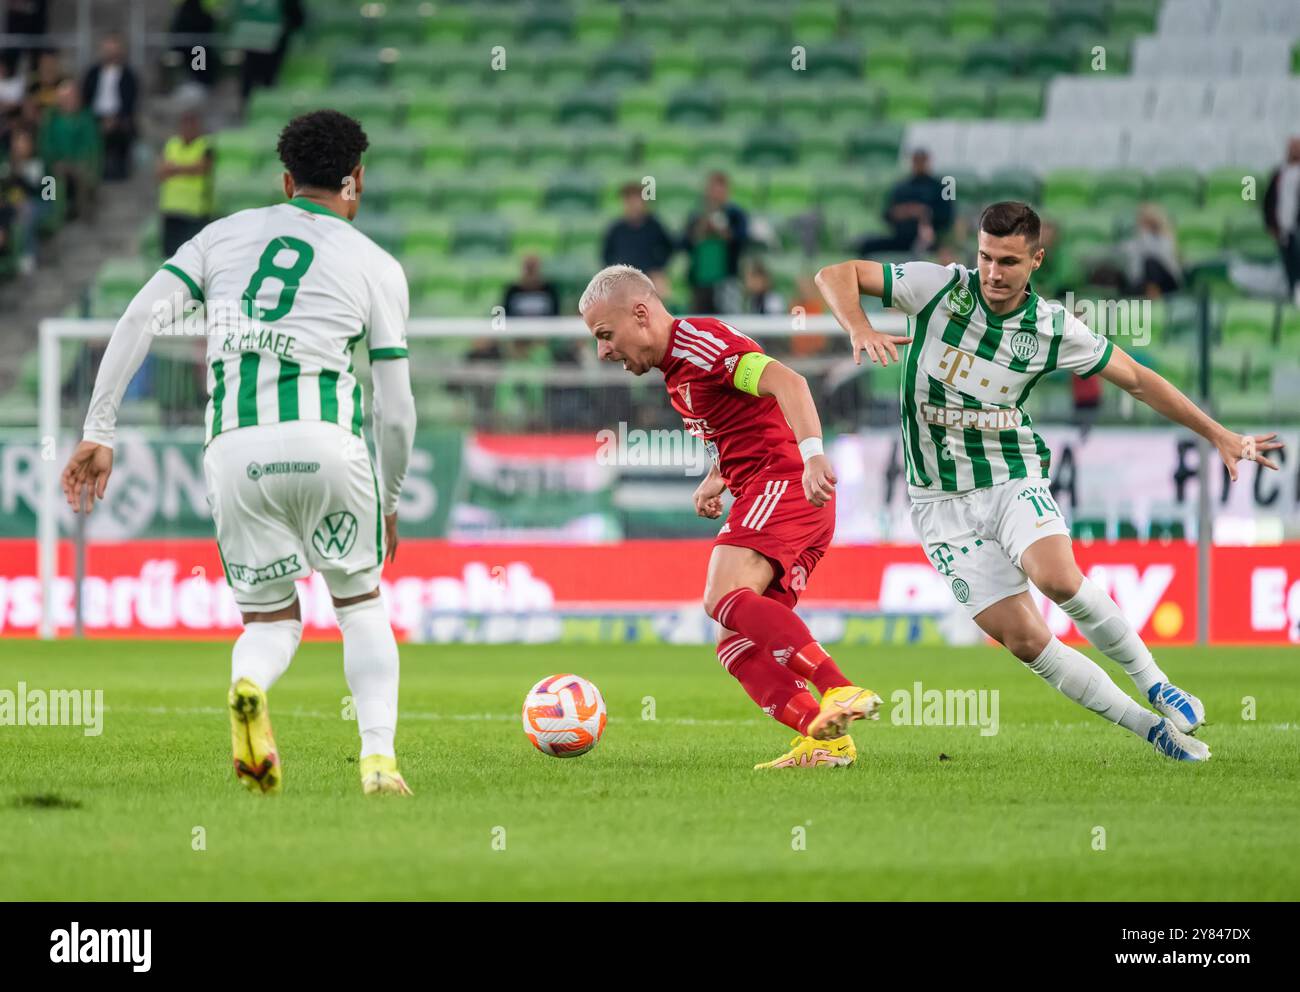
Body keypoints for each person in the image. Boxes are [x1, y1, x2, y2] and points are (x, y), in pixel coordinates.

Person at [816, 202, 1285, 763]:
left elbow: (1135, 379)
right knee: (1025, 640)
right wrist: (859, 325)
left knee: (1058, 579)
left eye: (1009, 262)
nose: (993, 272)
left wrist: (1217, 433)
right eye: (986, 258)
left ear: (1037, 260)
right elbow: (835, 274)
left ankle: (1156, 682)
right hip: (937, 500)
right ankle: (1150, 729)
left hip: (1010, 473)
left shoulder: (1052, 328)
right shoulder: (939, 288)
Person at [61, 110, 419, 797]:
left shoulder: (220, 237)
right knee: (360, 604)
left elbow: (140, 317)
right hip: (328, 444)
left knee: (269, 618)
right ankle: (378, 762)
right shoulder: (376, 265)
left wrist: (100, 429)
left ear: (286, 181)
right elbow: (395, 408)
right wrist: (391, 497)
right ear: (358, 181)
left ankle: (250, 684)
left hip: (235, 450)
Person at [579, 264, 882, 769]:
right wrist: (717, 476)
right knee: (735, 643)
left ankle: (840, 689)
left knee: (720, 597)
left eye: (605, 335)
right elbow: (745, 418)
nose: (602, 351)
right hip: (776, 490)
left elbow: (788, 383)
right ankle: (825, 738)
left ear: (640, 314)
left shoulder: (699, 345)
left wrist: (812, 455)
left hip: (784, 483)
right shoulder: (677, 368)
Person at [857, 149, 953, 257]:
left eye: (922, 161)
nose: (919, 164)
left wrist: (924, 212)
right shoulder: (901, 187)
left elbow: (947, 216)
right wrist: (901, 212)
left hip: (928, 239)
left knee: (943, 251)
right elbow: (887, 214)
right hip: (901, 238)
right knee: (866, 246)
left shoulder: (940, 187)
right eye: (917, 161)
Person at [683, 171, 749, 314]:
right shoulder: (696, 215)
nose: (715, 195)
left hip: (727, 279)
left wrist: (722, 231)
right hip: (700, 280)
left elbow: (742, 240)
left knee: (729, 322)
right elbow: (684, 243)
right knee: (700, 324)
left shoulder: (735, 214)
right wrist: (702, 227)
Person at [40, 79, 100, 222]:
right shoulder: (51, 119)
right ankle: (53, 216)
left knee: (84, 174)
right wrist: (55, 160)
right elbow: (45, 144)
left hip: (79, 163)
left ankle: (84, 213)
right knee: (49, 181)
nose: (70, 101)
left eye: (73, 97)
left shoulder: (86, 118)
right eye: (65, 98)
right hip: (55, 165)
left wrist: (78, 161)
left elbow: (91, 145)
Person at [81, 33, 138, 181]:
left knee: (122, 131)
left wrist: (116, 119)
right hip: (95, 117)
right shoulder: (93, 73)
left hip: (119, 117)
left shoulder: (128, 75)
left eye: (115, 49)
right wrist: (96, 119)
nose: (111, 54)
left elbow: (130, 101)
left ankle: (119, 170)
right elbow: (85, 98)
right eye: (108, 49)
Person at [157, 107, 214, 256]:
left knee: (193, 255)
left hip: (195, 210)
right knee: (170, 255)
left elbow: (202, 168)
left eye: (192, 124)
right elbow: (160, 171)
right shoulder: (171, 144)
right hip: (171, 208)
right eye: (185, 124)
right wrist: (187, 168)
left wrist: (175, 168)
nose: (188, 128)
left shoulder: (206, 144)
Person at [601, 181, 675, 279]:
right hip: (623, 280)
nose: (632, 204)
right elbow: (606, 255)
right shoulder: (616, 229)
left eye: (636, 199)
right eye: (628, 200)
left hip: (648, 279)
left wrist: (658, 268)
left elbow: (669, 248)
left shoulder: (653, 226)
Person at [1263, 135, 1300, 306]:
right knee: (1289, 266)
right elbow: (1268, 200)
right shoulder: (1279, 173)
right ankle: (1293, 297)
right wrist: (1270, 224)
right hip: (1283, 229)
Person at [1123, 203, 1181, 297]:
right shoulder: (1136, 240)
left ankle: (1153, 295)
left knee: (1150, 262)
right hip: (1142, 282)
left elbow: (1158, 256)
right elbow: (1124, 252)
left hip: (1167, 283)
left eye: (1146, 221)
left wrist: (1145, 235)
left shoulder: (1165, 239)